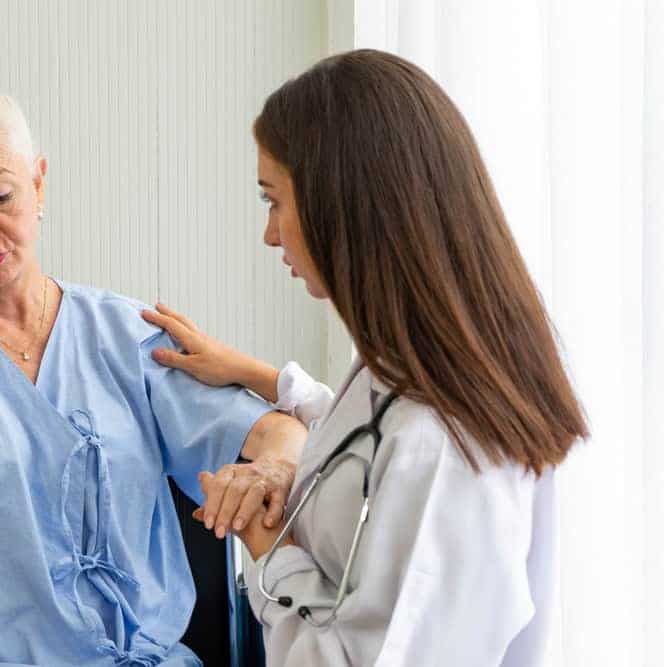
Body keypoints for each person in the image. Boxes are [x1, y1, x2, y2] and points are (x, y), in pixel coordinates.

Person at [0, 76, 308, 666]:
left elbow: (279, 432)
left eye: (1, 196)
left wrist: (277, 465)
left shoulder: (127, 336)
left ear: (38, 184)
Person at [142, 50, 588, 666]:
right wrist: (260, 378)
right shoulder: (416, 372)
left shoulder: (446, 450)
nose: (270, 234)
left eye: (274, 201)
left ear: (343, 204)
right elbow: (357, 443)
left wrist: (272, 549)